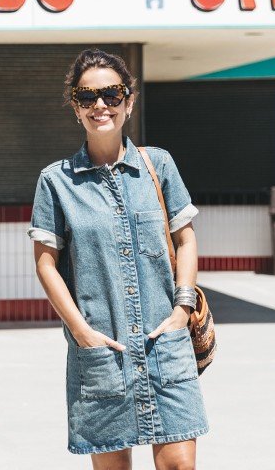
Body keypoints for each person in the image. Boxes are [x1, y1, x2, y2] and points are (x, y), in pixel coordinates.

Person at [26, 48, 209, 469]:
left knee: (179, 463)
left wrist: (183, 308)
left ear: (129, 101)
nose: (100, 105)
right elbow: (45, 264)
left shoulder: (158, 165)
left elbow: (185, 239)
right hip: (102, 349)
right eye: (87, 97)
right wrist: (82, 332)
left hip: (164, 342)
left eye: (112, 93)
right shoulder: (56, 181)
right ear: (75, 107)